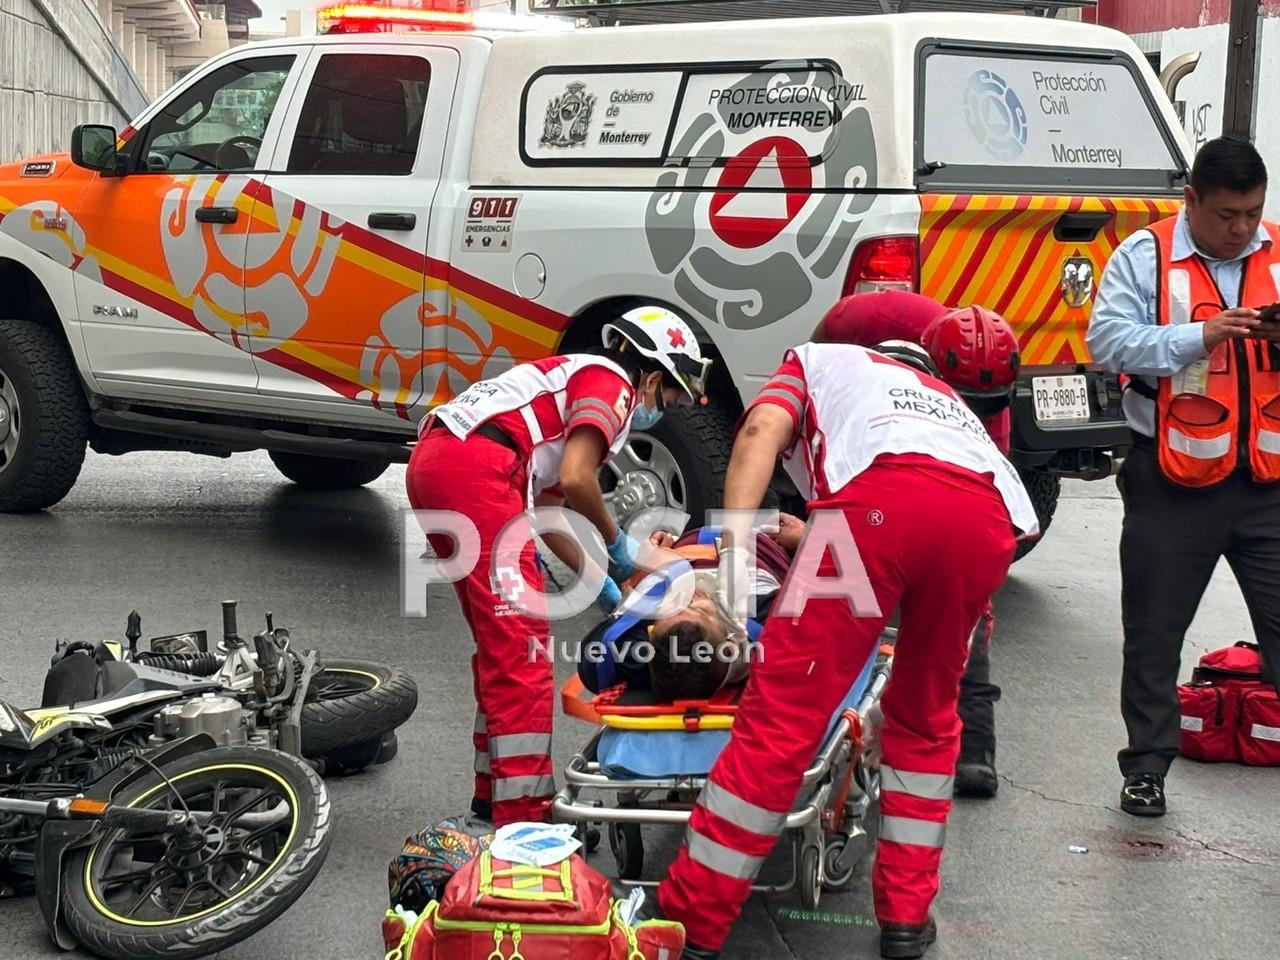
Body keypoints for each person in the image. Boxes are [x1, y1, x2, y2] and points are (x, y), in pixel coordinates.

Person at [641, 339, 1037, 960]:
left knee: (784, 718)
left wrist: (734, 561)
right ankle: (906, 923)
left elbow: (759, 434)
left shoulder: (818, 361)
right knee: (927, 724)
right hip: (986, 521)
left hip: (877, 509)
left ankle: (692, 917)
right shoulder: (947, 406)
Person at [407, 305, 710, 827]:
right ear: (653, 375)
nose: (668, 409)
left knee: (502, 646)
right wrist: (619, 546)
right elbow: (576, 479)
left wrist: (603, 580)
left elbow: (549, 514)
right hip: (477, 472)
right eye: (671, 396)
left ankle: (491, 801)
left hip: (444, 465)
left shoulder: (568, 379)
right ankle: (523, 819)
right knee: (523, 652)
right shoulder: (613, 380)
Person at [1086, 136, 1280, 818]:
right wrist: (1200, 336)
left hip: (1267, 482)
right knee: (1154, 634)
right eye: (1227, 214)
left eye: (1252, 213)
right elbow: (1106, 341)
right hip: (1170, 480)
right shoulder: (1146, 255)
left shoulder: (1278, 253)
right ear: (1191, 200)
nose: (1241, 229)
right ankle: (1146, 769)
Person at [814, 291, 1021, 797]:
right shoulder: (865, 320)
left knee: (966, 605)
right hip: (862, 421)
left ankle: (975, 750)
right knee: (838, 583)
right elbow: (815, 366)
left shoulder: (988, 404)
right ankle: (829, 718)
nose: (969, 412)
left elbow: (992, 502)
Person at [577, 517, 805, 701]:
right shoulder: (771, 622)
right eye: (702, 610)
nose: (690, 598)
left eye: (670, 609)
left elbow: (602, 648)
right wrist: (804, 539)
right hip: (766, 543)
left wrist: (653, 565)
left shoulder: (619, 655)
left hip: (681, 545)